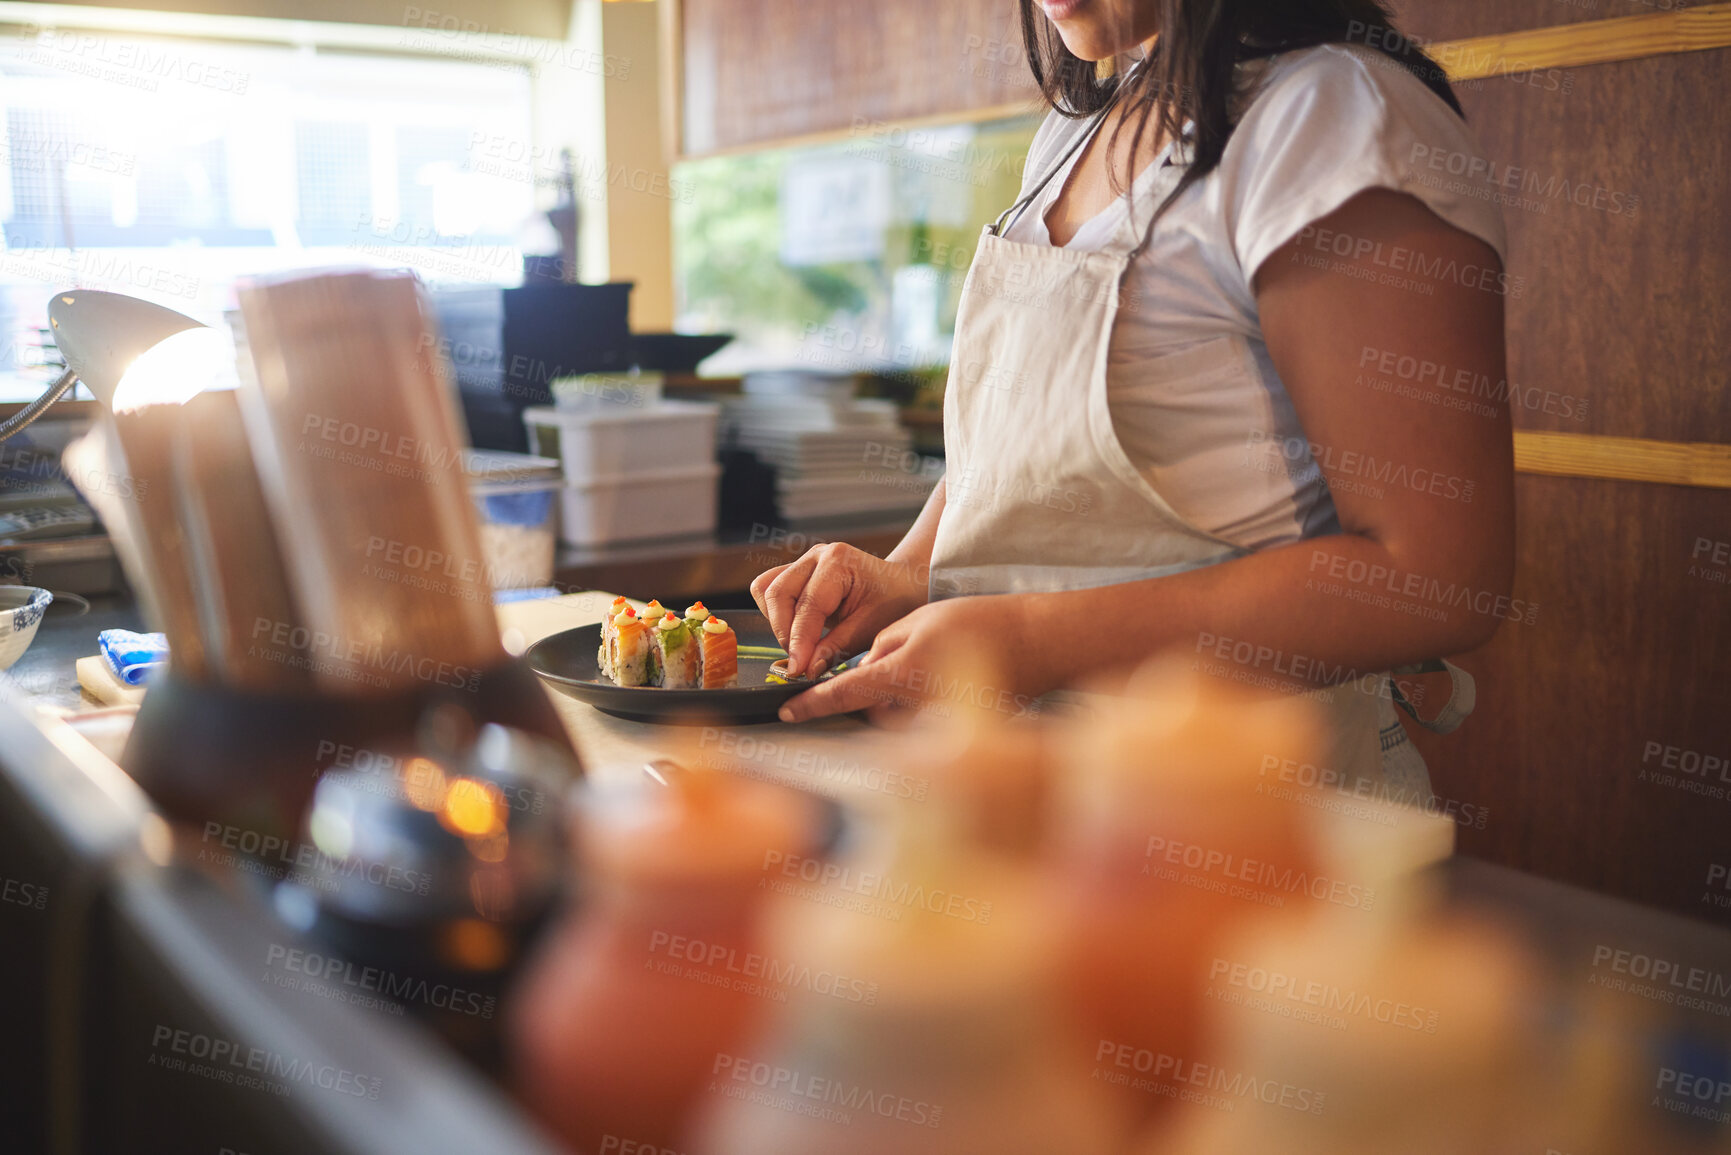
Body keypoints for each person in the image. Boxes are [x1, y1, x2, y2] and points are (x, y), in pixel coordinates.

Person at [753, 0, 1513, 795]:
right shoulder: (1075, 131)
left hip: (1251, 810)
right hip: (1032, 798)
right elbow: (1039, 431)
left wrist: (1027, 638)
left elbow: (1435, 578)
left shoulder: (1333, 119)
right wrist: (909, 573)